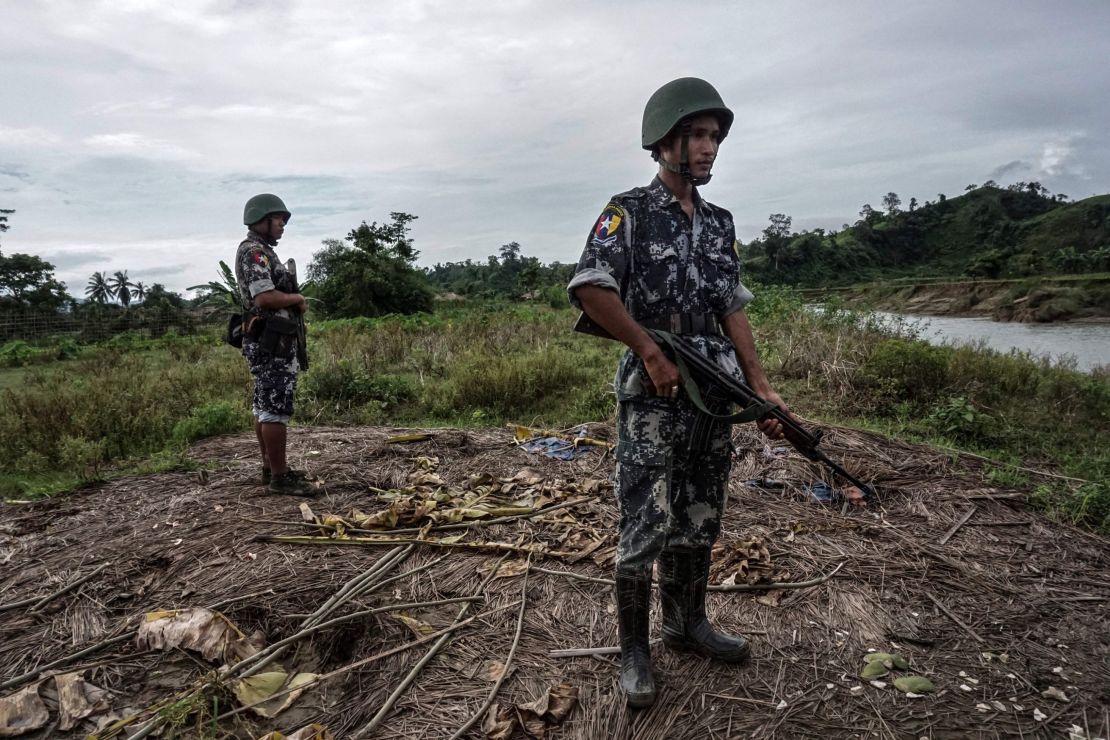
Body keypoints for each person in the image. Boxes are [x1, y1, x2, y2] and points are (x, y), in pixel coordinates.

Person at [567, 78, 792, 708]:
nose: (709, 148)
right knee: (646, 516)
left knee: (700, 510)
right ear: (664, 140)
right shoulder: (628, 212)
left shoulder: (719, 223)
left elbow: (731, 307)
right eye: (697, 135)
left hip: (713, 388)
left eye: (714, 137)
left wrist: (762, 388)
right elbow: (592, 287)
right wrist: (649, 350)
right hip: (654, 388)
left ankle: (686, 622)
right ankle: (635, 648)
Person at [234, 193, 316, 497]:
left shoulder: (263, 251)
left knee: (265, 405)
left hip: (274, 340)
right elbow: (264, 297)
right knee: (275, 407)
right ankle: (281, 476)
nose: (282, 225)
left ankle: (270, 468)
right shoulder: (254, 253)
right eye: (278, 219)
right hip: (272, 342)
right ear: (262, 219)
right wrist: (297, 299)